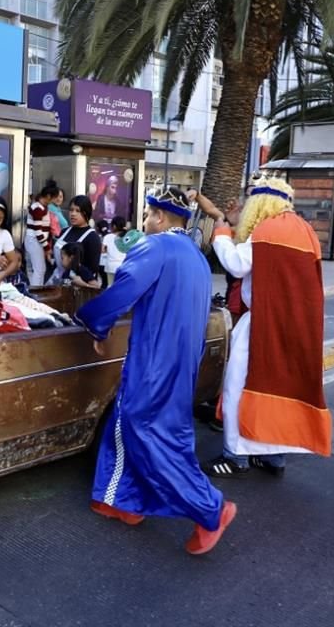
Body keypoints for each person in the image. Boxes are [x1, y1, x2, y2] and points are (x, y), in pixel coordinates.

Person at [76, 187, 236, 556]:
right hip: (179, 363)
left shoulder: (156, 247)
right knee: (128, 421)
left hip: (154, 361)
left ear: (160, 217)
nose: (145, 222)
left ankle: (211, 509)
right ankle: (122, 500)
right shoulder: (195, 256)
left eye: (148, 215)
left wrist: (95, 324)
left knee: (147, 431)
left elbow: (124, 289)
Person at [204, 176, 333, 478]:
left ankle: (235, 455)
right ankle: (274, 456)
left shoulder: (267, 229)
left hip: (262, 323)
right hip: (294, 326)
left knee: (238, 386)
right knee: (279, 386)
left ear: (260, 202)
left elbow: (236, 265)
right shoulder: (304, 230)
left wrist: (221, 233)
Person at [49, 196, 102, 284]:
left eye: (78, 211)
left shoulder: (92, 238)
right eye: (71, 210)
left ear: (86, 213)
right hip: (57, 279)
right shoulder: (64, 231)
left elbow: (92, 270)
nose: (73, 214)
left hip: (77, 285)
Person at [25, 182, 59, 286]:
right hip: (35, 240)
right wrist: (47, 247)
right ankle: (35, 293)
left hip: (37, 241)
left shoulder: (41, 207)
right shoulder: (38, 208)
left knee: (40, 270)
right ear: (49, 196)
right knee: (39, 270)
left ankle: (37, 292)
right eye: (54, 198)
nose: (55, 201)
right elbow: (38, 231)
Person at [102, 216, 128, 286]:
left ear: (114, 226)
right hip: (123, 266)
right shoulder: (127, 237)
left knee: (110, 286)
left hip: (110, 266)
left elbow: (103, 250)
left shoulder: (108, 237)